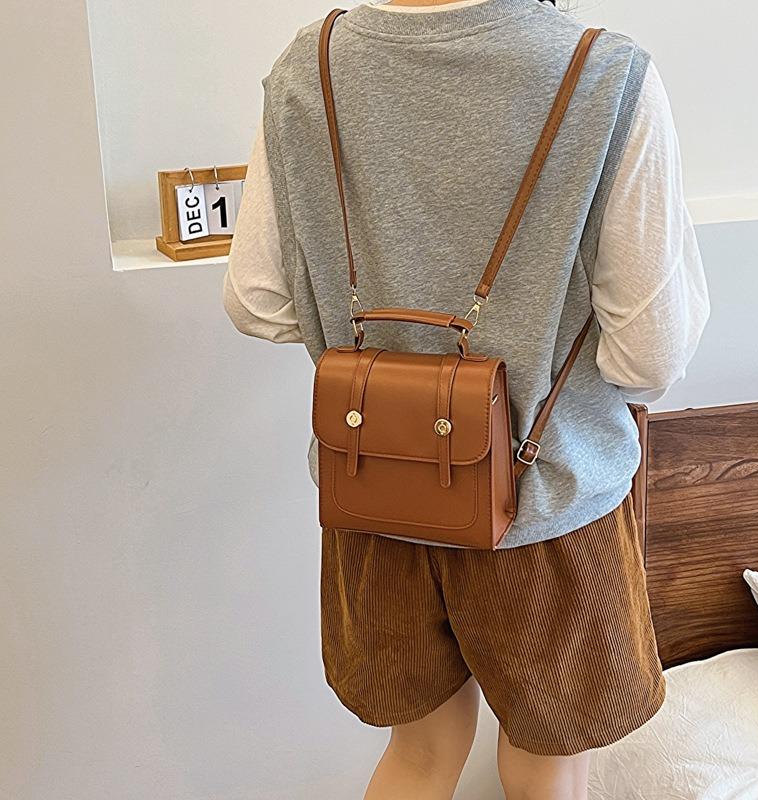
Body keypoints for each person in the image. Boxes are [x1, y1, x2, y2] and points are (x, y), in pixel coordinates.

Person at [223, 0, 710, 797]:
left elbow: (256, 300)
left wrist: (381, 357)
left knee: (418, 754)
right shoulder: (607, 74)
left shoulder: (309, 66)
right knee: (548, 765)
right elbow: (649, 353)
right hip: (545, 504)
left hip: (374, 488)